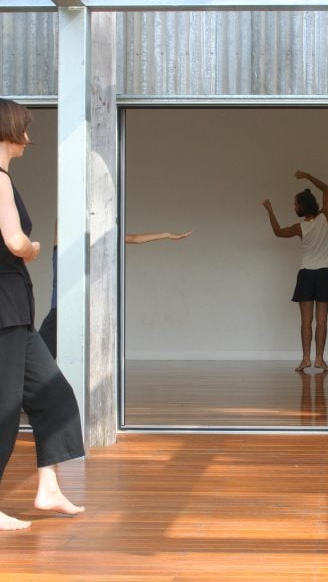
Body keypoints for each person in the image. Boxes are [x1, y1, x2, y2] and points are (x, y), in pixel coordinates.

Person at [0, 98, 85, 531]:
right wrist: (32, 249)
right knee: (5, 408)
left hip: (16, 312)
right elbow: (16, 242)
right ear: (8, 132)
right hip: (4, 310)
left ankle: (48, 488)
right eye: (25, 130)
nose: (29, 139)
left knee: (54, 396)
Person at [39, 227, 192, 358]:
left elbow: (135, 238)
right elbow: (61, 222)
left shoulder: (89, 248)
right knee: (41, 354)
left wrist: (166, 234)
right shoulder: (61, 250)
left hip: (82, 312)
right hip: (60, 312)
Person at [263, 170, 328, 371]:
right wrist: (309, 176)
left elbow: (277, 232)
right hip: (323, 274)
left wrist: (269, 210)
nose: (294, 207)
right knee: (322, 320)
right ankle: (319, 359)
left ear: (302, 206)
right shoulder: (326, 217)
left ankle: (306, 359)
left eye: (295, 204)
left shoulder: (299, 227)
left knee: (306, 320)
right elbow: (327, 189)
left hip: (306, 274)